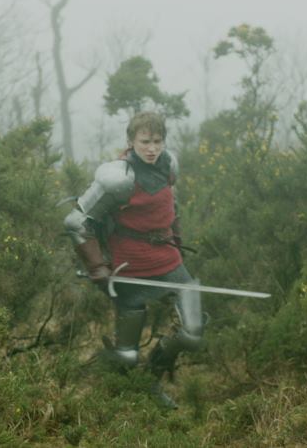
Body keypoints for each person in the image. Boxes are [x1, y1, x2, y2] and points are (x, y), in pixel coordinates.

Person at [64, 111, 204, 408]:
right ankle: (122, 398)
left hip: (169, 260)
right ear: (131, 141)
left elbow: (172, 206)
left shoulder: (169, 165)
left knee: (193, 333)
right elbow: (76, 222)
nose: (152, 148)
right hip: (130, 266)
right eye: (145, 142)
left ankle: (151, 380)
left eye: (157, 141)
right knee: (127, 355)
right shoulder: (118, 177)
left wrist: (177, 241)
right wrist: (97, 267)